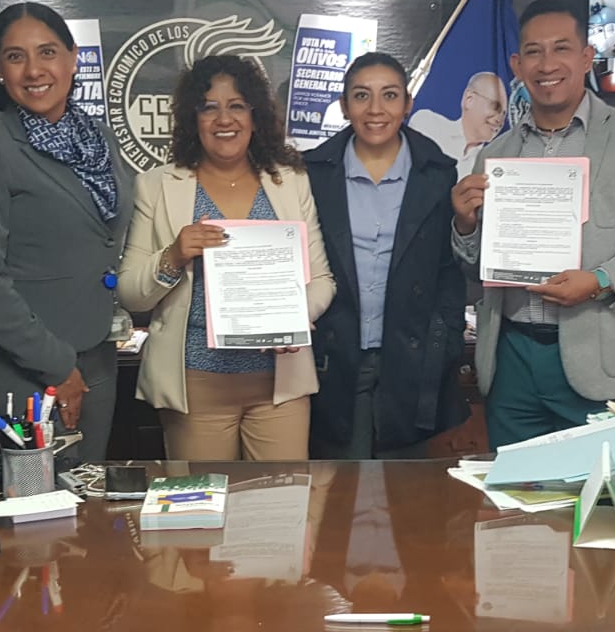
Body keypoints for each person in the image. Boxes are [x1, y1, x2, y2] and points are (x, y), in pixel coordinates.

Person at [451, 0, 615, 448]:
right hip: (510, 360)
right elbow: (476, 268)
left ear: (586, 58)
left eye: (561, 48)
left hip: (599, 357)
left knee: (603, 491)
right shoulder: (496, 154)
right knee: (517, 491)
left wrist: (600, 280)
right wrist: (465, 226)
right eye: (534, 52)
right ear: (517, 65)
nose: (547, 64)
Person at [117, 54, 334, 460]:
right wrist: (173, 255)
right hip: (195, 385)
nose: (224, 120)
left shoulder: (291, 182)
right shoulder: (157, 186)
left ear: (255, 116)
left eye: (237, 106)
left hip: (280, 387)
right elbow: (129, 293)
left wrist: (293, 317)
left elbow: (322, 280)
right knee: (202, 500)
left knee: (283, 499)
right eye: (209, 108)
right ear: (192, 118)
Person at [0, 1, 132, 463]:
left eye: (47, 52)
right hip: (28, 365)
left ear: (73, 58)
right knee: (43, 500)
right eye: (15, 57)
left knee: (90, 493)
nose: (34, 70)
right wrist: (57, 366)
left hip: (97, 353)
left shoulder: (99, 138)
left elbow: (103, 239)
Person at [301, 52, 467, 459]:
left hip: (412, 355)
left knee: (406, 488)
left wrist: (445, 337)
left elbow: (448, 267)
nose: (376, 109)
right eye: (362, 96)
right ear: (344, 106)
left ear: (408, 104)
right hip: (334, 354)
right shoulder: (312, 173)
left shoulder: (439, 172)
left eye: (390, 95)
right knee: (339, 485)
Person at [408, 71, 507, 178]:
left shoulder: (493, 167)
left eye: (504, 114)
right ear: (469, 99)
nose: (500, 120)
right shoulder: (427, 124)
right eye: (495, 107)